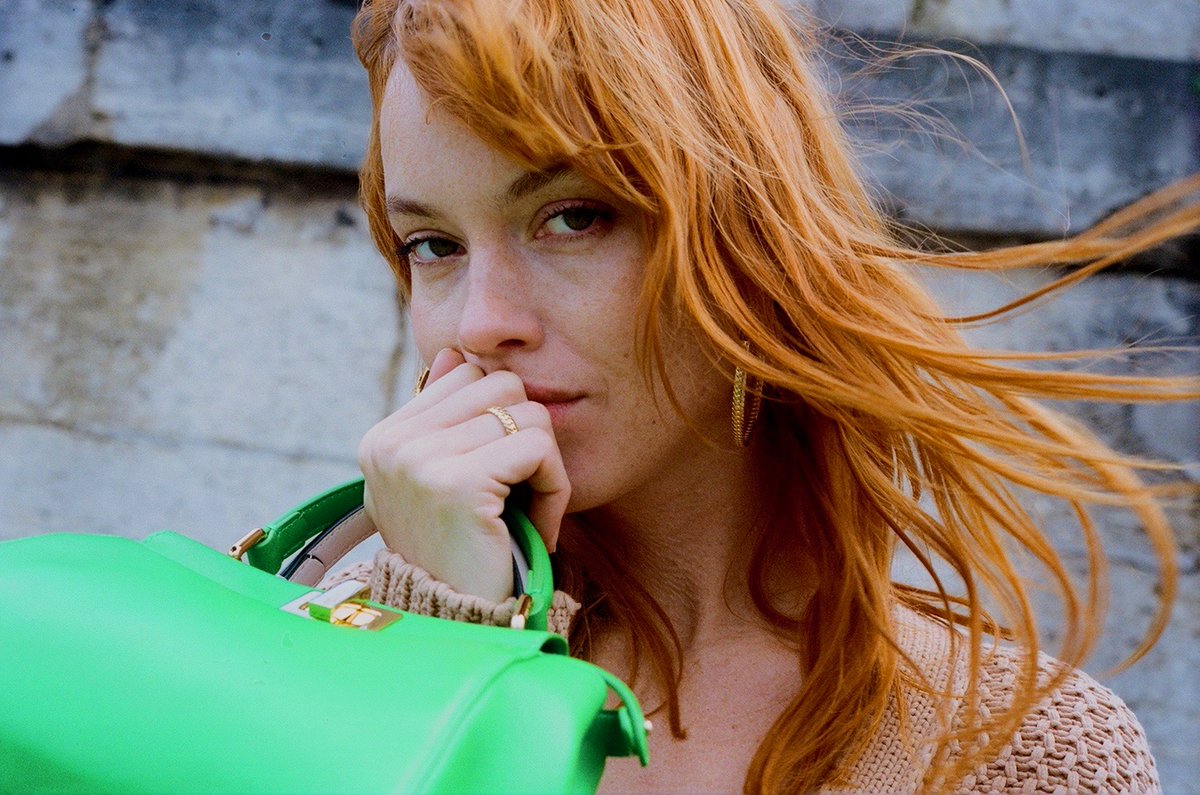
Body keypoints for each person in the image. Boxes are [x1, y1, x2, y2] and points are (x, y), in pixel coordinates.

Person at [336, 0, 1199, 791]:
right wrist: (447, 646)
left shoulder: (1024, 749)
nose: (481, 321)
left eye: (574, 217)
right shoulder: (341, 639)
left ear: (751, 241)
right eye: (433, 243)